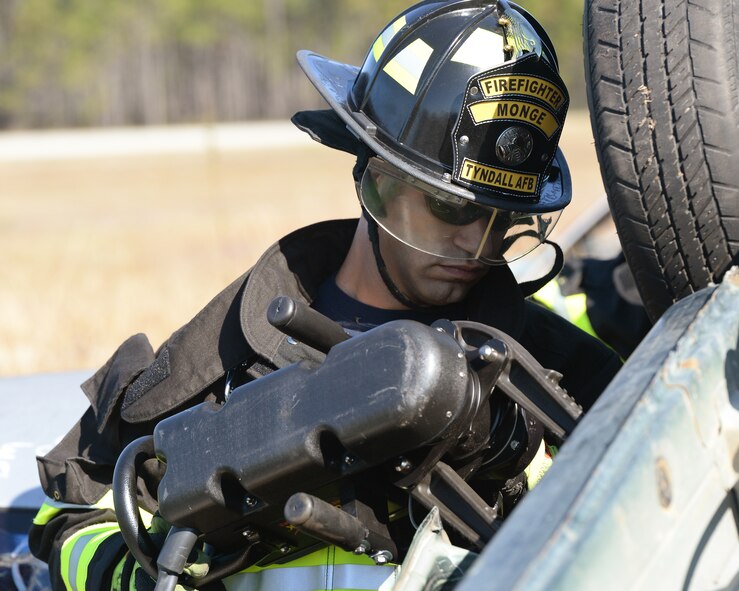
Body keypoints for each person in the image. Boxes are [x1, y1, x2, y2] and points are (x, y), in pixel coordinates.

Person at [29, 1, 622, 589]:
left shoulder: (561, 378)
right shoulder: (225, 349)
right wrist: (133, 570)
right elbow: (69, 517)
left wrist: (511, 460)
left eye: (502, 221)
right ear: (376, 180)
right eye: (450, 208)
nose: (474, 246)